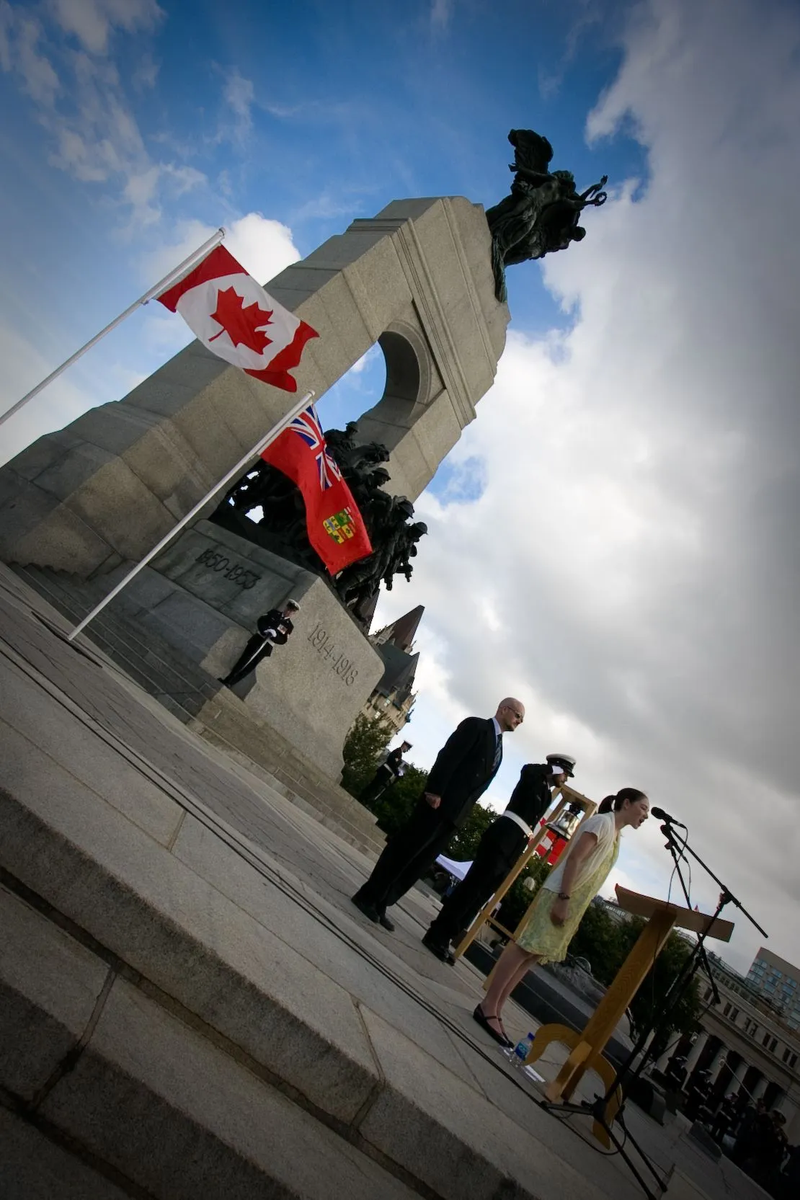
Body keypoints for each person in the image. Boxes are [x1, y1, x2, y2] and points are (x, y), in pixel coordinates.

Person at [473, 787, 649, 1048]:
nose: (645, 815)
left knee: (533, 955)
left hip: (574, 901)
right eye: (643, 808)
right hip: (561, 894)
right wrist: (564, 899)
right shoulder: (602, 822)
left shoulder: (616, 835)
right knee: (525, 947)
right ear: (626, 803)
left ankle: (497, 1007)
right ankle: (488, 1004)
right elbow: (575, 859)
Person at [351, 698, 525, 931]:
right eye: (517, 715)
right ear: (504, 709)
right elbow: (449, 757)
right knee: (405, 851)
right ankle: (368, 895)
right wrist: (435, 790)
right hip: (438, 803)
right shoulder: (476, 727)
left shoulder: (499, 747)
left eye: (521, 719)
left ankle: (383, 902)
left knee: (419, 863)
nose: (519, 721)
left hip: (454, 817)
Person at [421, 753, 577, 963]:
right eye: (565, 773)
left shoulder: (546, 794)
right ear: (557, 768)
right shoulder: (533, 778)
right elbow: (528, 768)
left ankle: (447, 936)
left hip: (513, 848)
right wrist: (551, 769)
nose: (565, 779)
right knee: (470, 889)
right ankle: (437, 933)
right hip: (501, 839)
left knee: (480, 897)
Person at [219, 599, 300, 687]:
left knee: (250, 666)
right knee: (243, 660)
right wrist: (265, 630)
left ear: (293, 614)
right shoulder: (273, 613)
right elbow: (261, 621)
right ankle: (228, 679)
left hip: (267, 646)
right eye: (288, 609)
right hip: (258, 639)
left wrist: (275, 636)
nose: (288, 612)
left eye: (291, 611)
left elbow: (283, 640)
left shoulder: (289, 626)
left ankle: (232, 683)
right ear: (286, 607)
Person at [359, 741, 413, 806]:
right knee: (374, 785)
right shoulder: (397, 752)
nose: (407, 750)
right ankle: (363, 798)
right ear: (404, 745)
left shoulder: (399, 753)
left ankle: (364, 798)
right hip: (385, 771)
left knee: (375, 786)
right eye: (407, 748)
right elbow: (393, 763)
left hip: (386, 772)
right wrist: (397, 772)